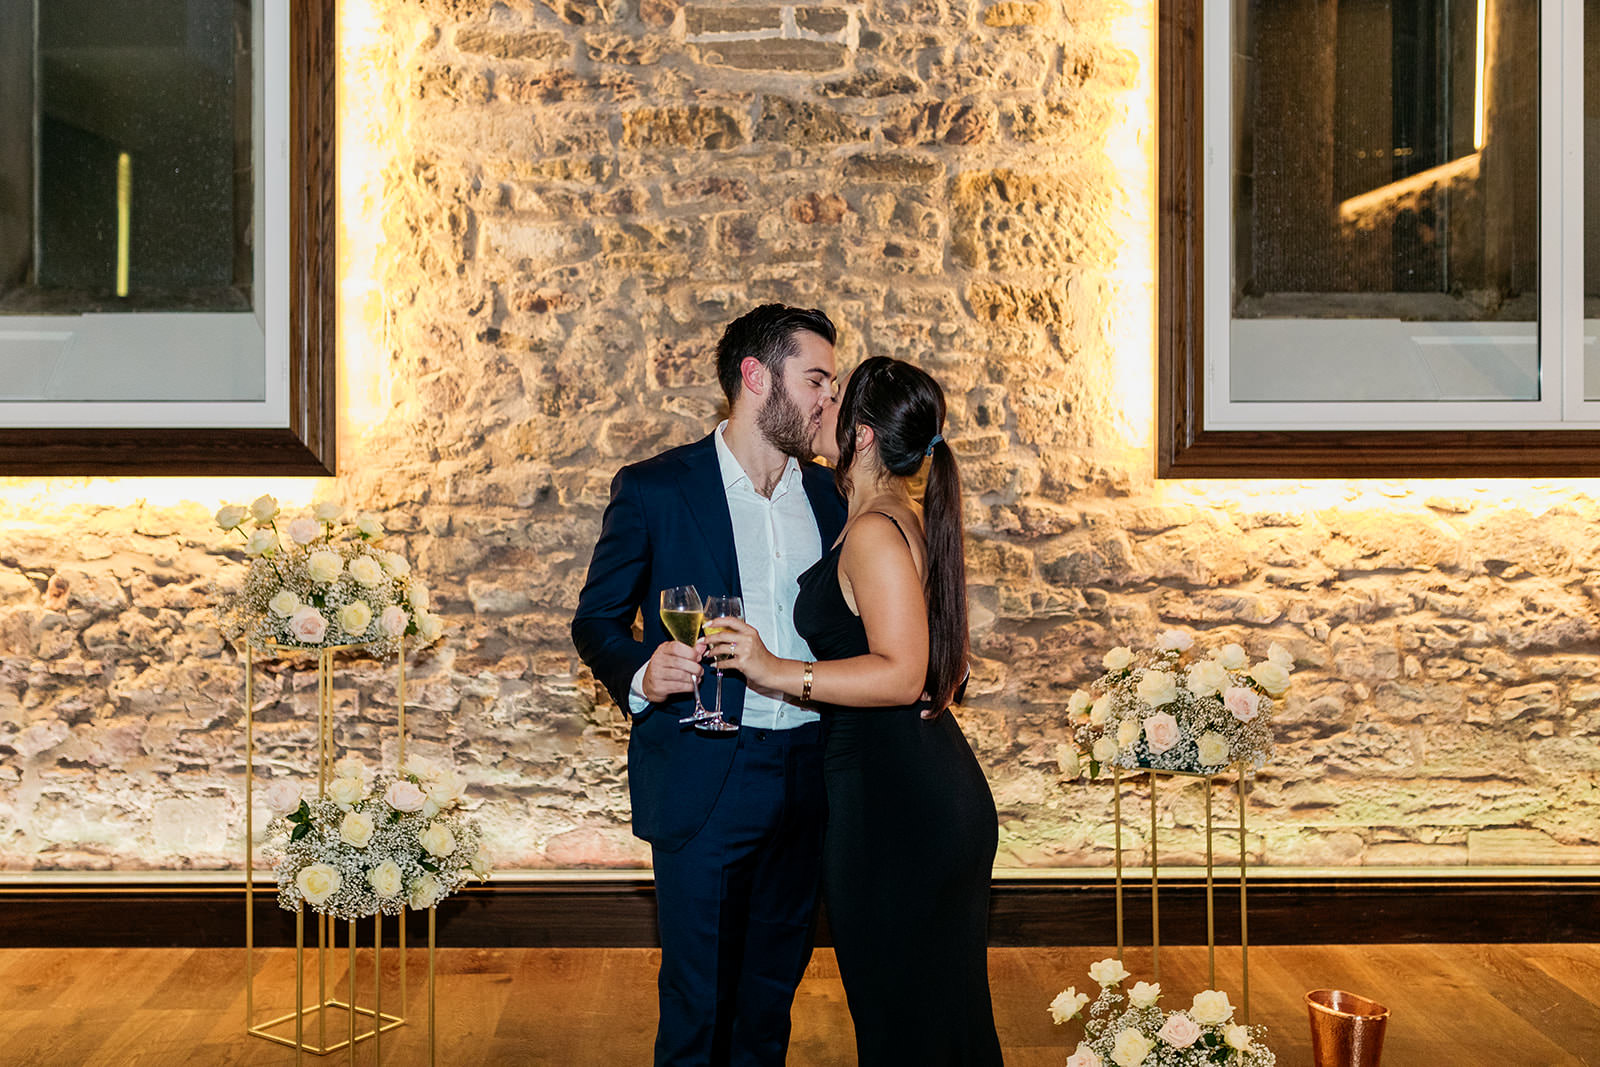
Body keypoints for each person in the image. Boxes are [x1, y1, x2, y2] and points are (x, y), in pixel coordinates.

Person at [570, 304, 847, 1066]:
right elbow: (595, 621)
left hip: (811, 772)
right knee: (698, 1001)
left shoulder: (830, 497)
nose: (830, 396)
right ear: (756, 377)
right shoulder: (657, 488)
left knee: (771, 996)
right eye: (817, 378)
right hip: (705, 771)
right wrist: (639, 669)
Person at [706, 356, 1003, 1066]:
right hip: (908, 791)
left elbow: (902, 674)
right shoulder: (887, 516)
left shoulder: (875, 529)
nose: (823, 405)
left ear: (864, 436)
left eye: (837, 400)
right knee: (928, 1022)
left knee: (906, 1022)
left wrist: (774, 669)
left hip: (899, 808)